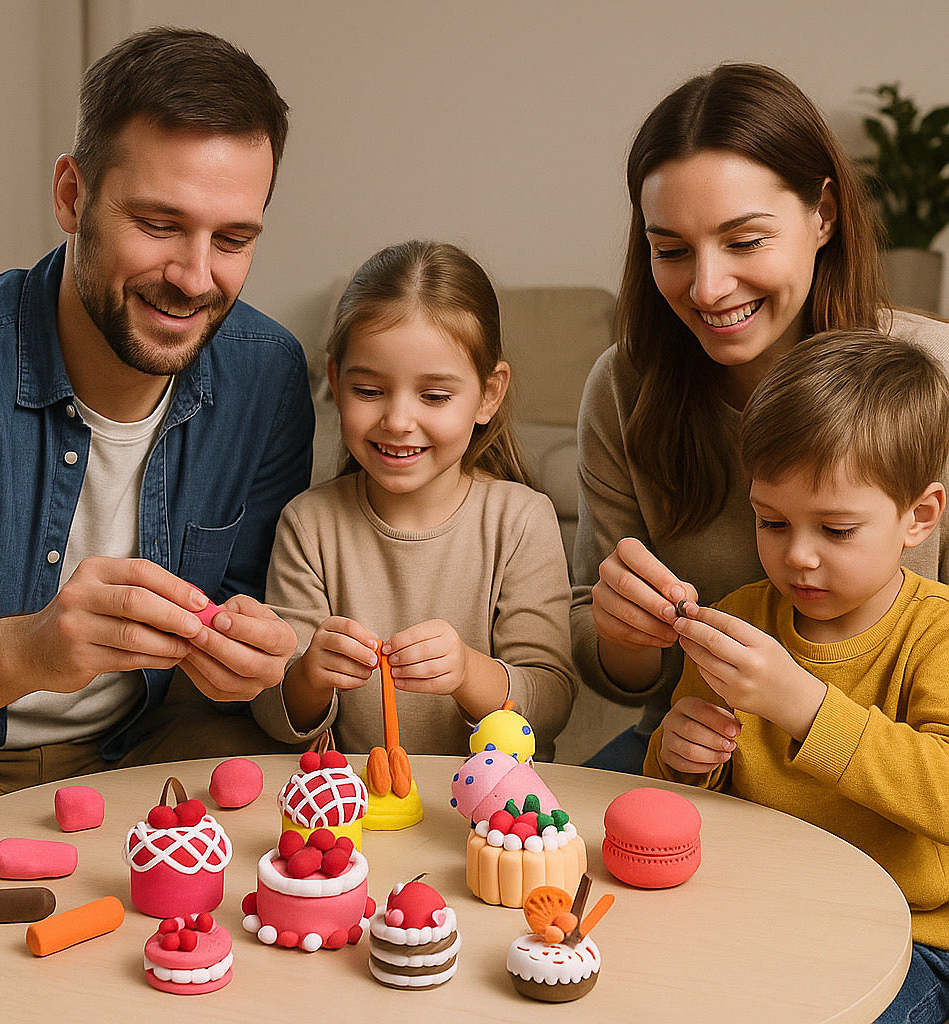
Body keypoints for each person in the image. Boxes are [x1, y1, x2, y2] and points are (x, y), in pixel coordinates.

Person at [0, 27, 315, 824]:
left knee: (284, 801)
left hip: (146, 748)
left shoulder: (269, 375)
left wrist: (250, 660)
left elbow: (249, 618)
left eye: (233, 239)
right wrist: (32, 650)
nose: (195, 278)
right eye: (160, 224)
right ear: (72, 196)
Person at [571, 62, 949, 773]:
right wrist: (624, 633)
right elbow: (608, 669)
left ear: (824, 215)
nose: (708, 288)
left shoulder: (936, 378)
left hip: (887, 769)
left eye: (744, 241)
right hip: (701, 753)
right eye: (671, 251)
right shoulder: (624, 386)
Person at [645, 331, 949, 1024]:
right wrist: (681, 755)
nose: (799, 557)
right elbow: (677, 800)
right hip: (758, 912)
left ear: (919, 517)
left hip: (910, 937)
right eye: (772, 522)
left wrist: (806, 706)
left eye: (836, 530)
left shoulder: (935, 633)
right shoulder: (741, 621)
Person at [253, 240, 576, 759]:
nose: (399, 421)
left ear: (488, 394)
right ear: (336, 382)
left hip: (498, 815)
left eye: (434, 396)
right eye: (369, 391)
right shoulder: (308, 523)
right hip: (357, 806)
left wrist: (469, 671)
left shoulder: (521, 521)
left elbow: (552, 701)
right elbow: (275, 711)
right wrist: (311, 674)